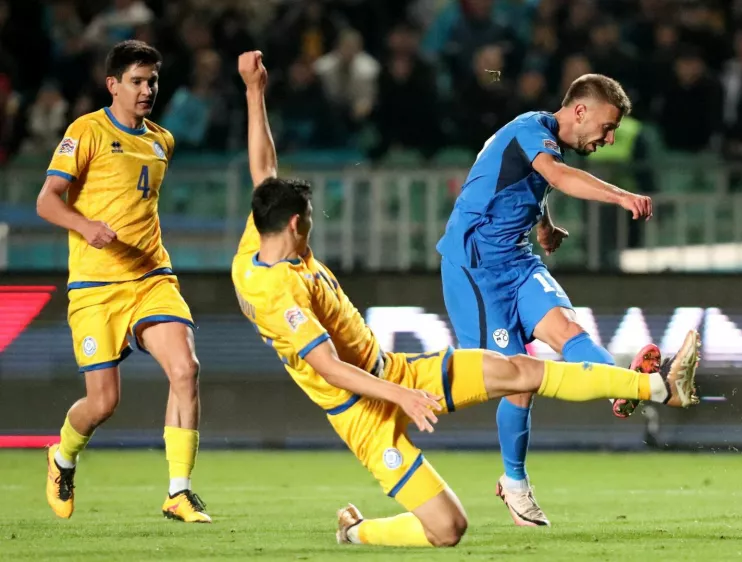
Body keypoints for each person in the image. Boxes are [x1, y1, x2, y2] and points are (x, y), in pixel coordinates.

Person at [231, 50, 702, 548]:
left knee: (537, 358)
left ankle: (643, 388)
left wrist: (254, 91)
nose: (607, 139)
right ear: (296, 224)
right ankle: (362, 529)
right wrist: (403, 398)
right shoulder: (276, 291)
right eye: (309, 216)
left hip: (403, 362)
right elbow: (329, 369)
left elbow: (264, 169)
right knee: (452, 520)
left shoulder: (262, 233)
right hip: (372, 395)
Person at [435, 73, 692, 526]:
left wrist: (543, 225)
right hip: (475, 269)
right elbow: (553, 173)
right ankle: (513, 482)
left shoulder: (544, 141)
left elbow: (529, 183)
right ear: (579, 112)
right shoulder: (529, 129)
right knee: (518, 383)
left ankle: (620, 387)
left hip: (517, 260)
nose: (609, 139)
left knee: (568, 331)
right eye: (607, 127)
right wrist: (621, 195)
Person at [38, 40, 209, 523]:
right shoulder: (85, 131)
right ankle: (63, 456)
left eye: (152, 80)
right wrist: (85, 225)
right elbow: (46, 201)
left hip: (151, 277)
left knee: (185, 370)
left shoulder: (162, 141)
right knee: (103, 402)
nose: (146, 89)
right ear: (112, 84)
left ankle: (178, 491)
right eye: (136, 81)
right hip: (96, 288)